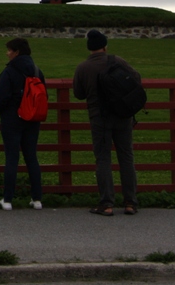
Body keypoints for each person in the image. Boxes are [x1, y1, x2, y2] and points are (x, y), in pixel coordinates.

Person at [73, 29, 141, 216]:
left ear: (89, 48)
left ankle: (107, 203)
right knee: (126, 156)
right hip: (123, 114)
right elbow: (136, 78)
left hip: (99, 117)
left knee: (103, 158)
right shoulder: (117, 61)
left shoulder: (83, 67)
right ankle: (130, 202)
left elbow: (78, 94)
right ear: (104, 46)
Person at [0, 37, 44, 210]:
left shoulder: (9, 71)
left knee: (12, 158)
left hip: (12, 119)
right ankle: (37, 199)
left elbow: (0, 99)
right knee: (32, 157)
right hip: (33, 118)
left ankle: (7, 200)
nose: (7, 54)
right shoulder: (37, 71)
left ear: (17, 52)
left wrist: (4, 111)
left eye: (9, 50)